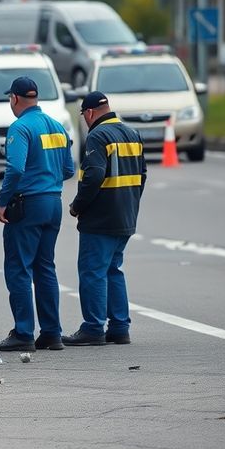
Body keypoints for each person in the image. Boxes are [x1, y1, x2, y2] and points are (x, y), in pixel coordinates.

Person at [0, 77, 75, 352]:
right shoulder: (57, 126)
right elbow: (69, 169)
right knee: (45, 267)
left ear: (14, 98)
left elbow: (15, 168)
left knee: (18, 268)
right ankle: (52, 333)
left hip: (28, 204)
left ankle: (24, 333)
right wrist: (48, 179)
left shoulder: (20, 127)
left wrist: (3, 201)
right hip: (53, 202)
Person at [64, 92, 146, 346]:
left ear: (88, 113)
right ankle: (120, 327)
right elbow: (142, 174)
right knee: (113, 269)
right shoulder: (132, 134)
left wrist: (78, 206)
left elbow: (95, 174)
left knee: (92, 272)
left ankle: (93, 327)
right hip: (125, 215)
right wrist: (131, 203)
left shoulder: (98, 136)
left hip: (100, 217)